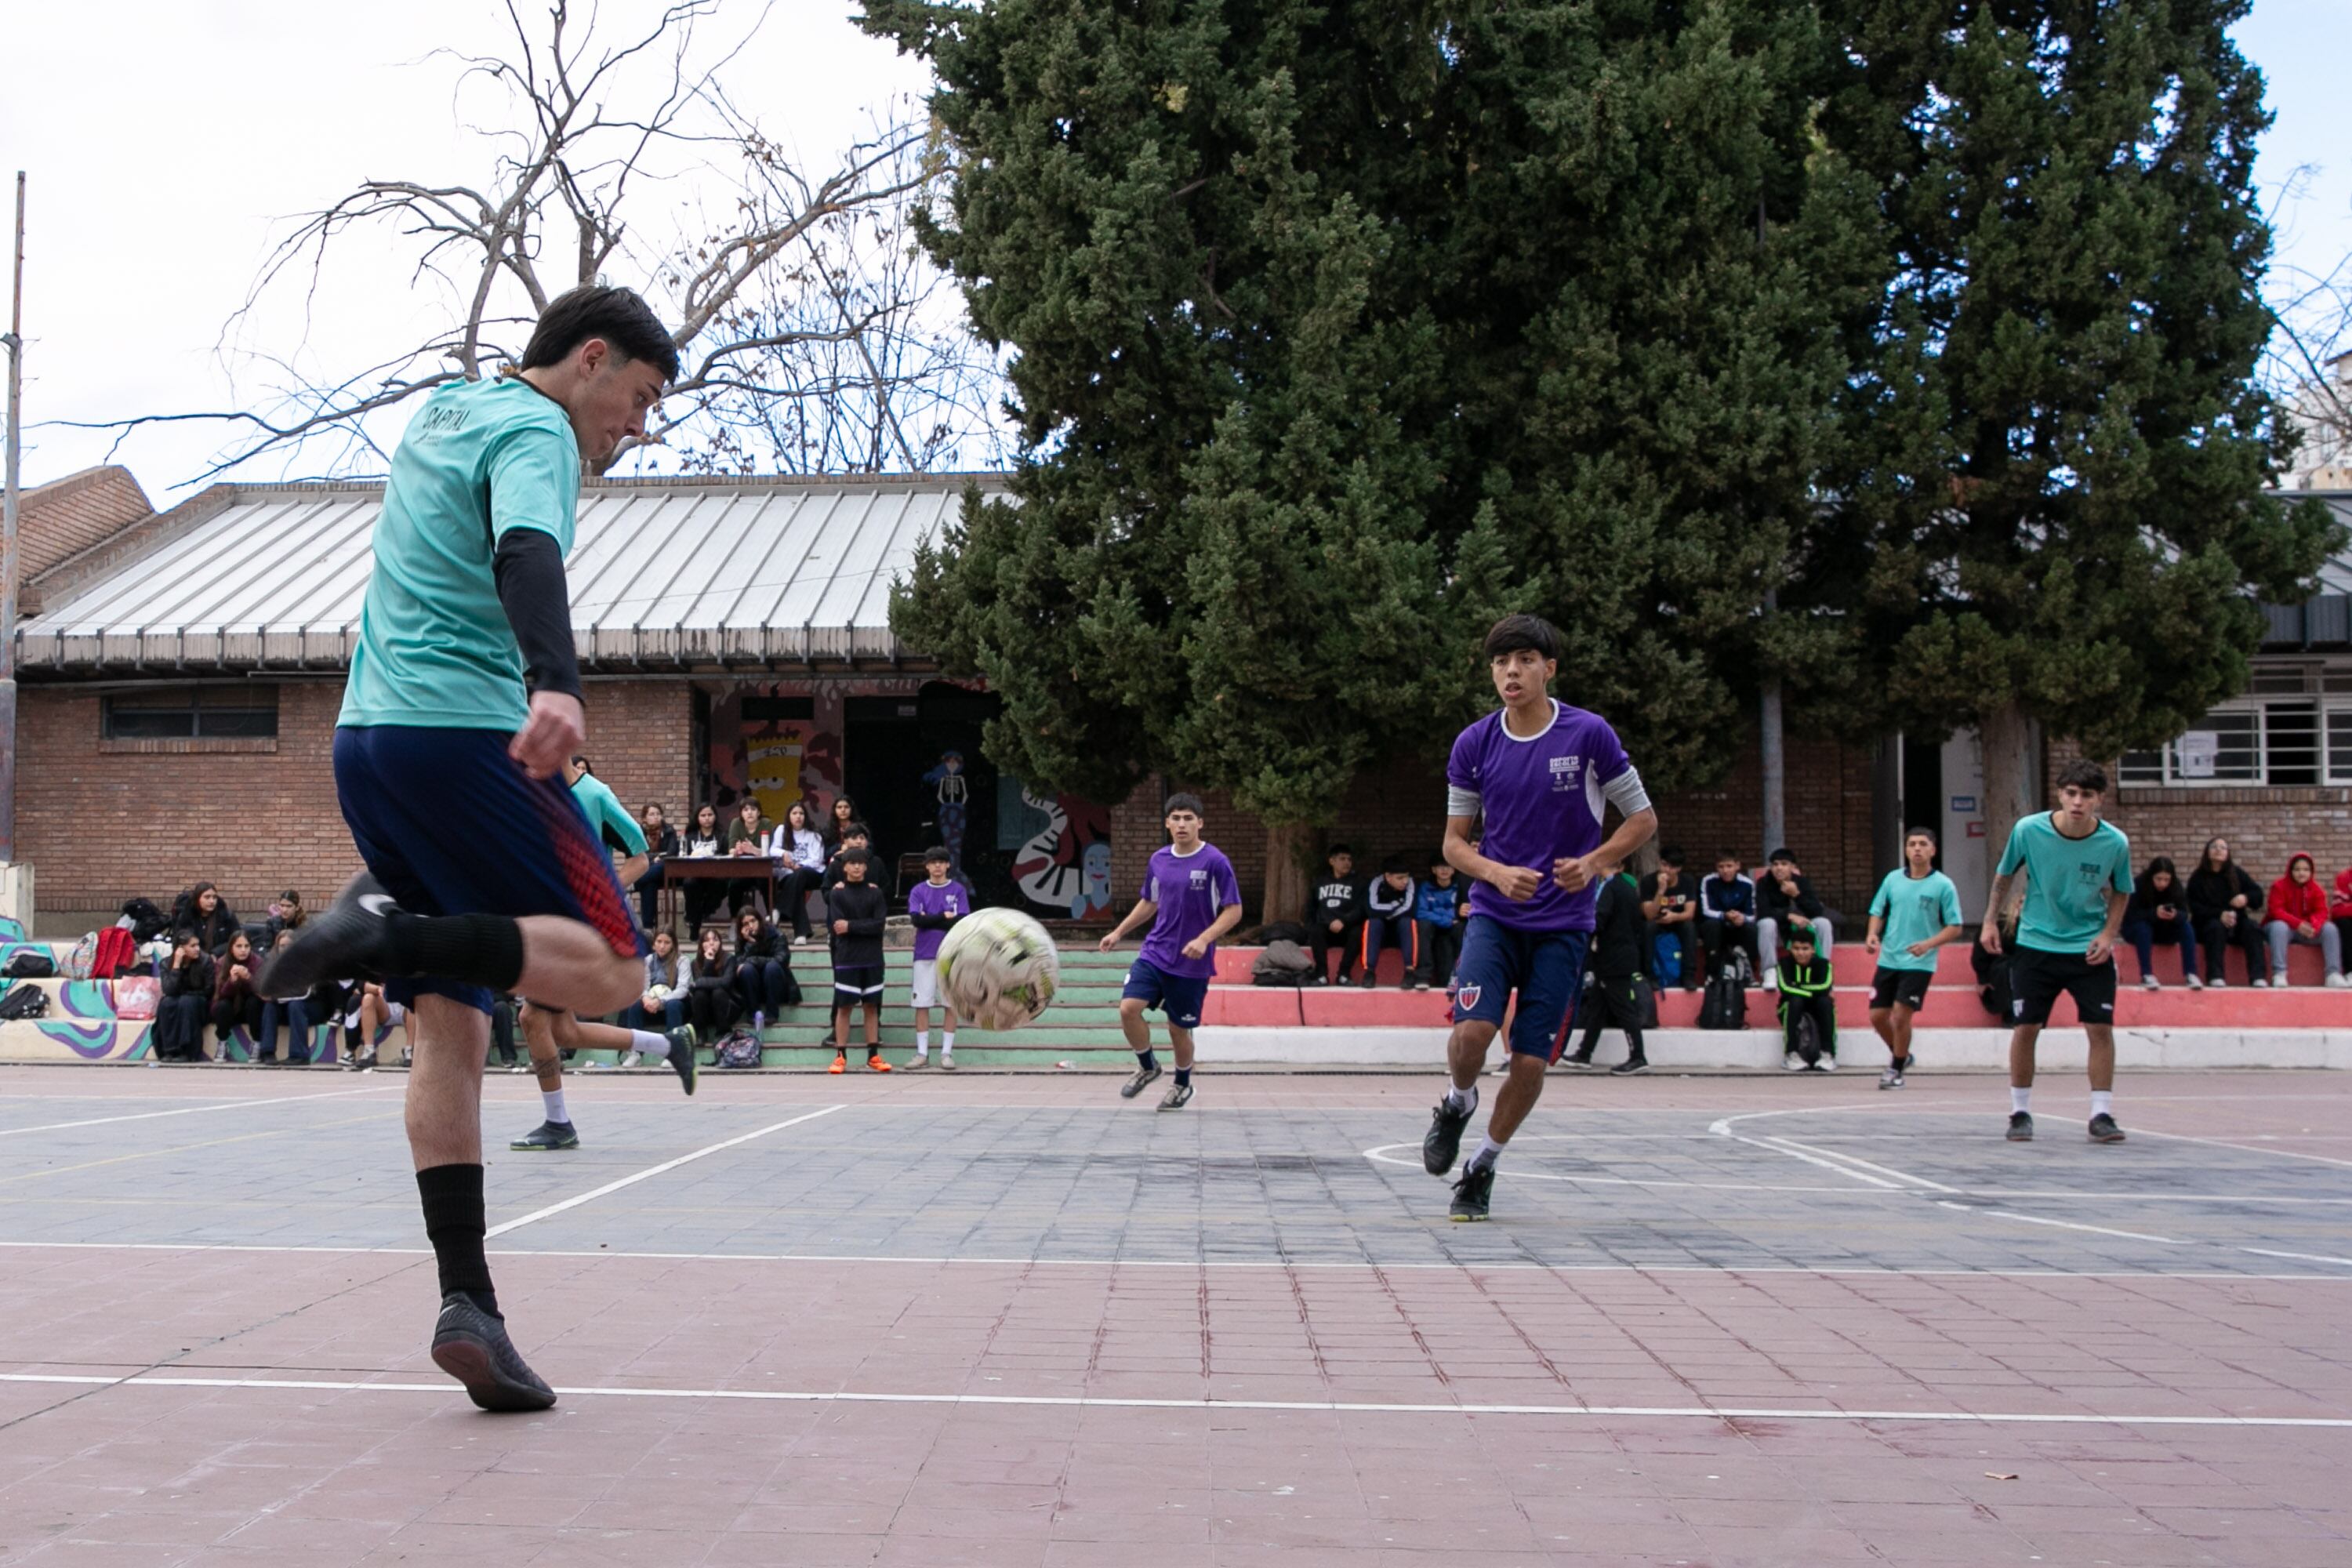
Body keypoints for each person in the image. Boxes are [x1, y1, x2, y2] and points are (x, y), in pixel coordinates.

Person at [256, 283, 679, 1414]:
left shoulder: (446, 409)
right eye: (636, 399)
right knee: (615, 969)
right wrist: (557, 686)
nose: (634, 429)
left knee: (451, 1027)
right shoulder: (538, 429)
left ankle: (468, 1304)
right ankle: (389, 929)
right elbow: (527, 552)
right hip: (463, 736)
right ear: (589, 360)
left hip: (368, 741)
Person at [1421, 615, 1657, 1221]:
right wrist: (1495, 874)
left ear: (1549, 668)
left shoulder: (1589, 735)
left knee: (1528, 1061)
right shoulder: (1475, 743)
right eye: (1501, 663)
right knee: (1471, 1035)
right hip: (1496, 916)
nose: (1511, 672)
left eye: (1525, 660)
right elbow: (1453, 844)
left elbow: (1642, 819)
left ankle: (1482, 1167)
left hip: (1564, 925)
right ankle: (1457, 1101)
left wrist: (1598, 861)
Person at [1981, 760, 2133, 1145]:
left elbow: (2122, 890)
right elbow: (2003, 876)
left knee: (2100, 1028)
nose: (2077, 802)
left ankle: (2101, 1113)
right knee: (2027, 1027)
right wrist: (1988, 922)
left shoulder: (2115, 843)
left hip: (2087, 948)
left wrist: (2108, 934)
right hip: (2036, 945)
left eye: (2086, 795)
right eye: (2070, 793)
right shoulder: (2029, 830)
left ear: (2099, 799)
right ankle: (2019, 1111)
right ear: (2060, 795)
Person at [1097, 793, 1243, 1112]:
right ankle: (1148, 1065)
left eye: (1188, 818)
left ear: (1200, 823)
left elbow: (1234, 911)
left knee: (1179, 1029)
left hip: (1192, 962)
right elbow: (1149, 901)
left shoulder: (1215, 861)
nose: (1181, 824)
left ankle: (1182, 1084)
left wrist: (1204, 939)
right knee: (1128, 1008)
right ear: (1167, 823)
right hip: (1155, 952)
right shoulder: (1159, 860)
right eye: (1176, 818)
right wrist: (1119, 932)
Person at [1863, 827, 1965, 1089]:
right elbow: (1878, 910)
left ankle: (1895, 1070)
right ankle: (1903, 1054)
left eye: (1923, 844)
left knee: (1900, 1015)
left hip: (1919, 962)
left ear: (1933, 849)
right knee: (1877, 1016)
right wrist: (1873, 934)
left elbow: (1955, 926)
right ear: (1906, 849)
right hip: (1889, 958)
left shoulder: (1943, 885)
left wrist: (1928, 944)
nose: (1917, 849)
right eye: (1912, 844)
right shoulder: (1893, 880)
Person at [1561, 864, 1650, 1075]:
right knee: (1597, 1007)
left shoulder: (1610, 888)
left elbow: (1599, 919)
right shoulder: (1628, 887)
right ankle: (1585, 1053)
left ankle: (1638, 1056)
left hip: (1614, 957)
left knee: (1623, 1008)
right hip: (1619, 954)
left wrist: (1579, 930)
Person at [827, 848, 891, 1073]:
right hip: (846, 959)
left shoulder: (875, 893)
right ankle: (840, 1055)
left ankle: (873, 1055)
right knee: (844, 1008)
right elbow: (838, 926)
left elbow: (879, 925)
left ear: (866, 866)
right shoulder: (837, 893)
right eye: (851, 863)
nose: (856, 867)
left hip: (873, 959)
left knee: (871, 1007)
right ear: (844, 867)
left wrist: (852, 926)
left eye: (860, 863)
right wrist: (858, 927)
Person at [904, 846, 969, 1069]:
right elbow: (917, 921)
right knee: (922, 1003)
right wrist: (942, 916)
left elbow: (961, 922)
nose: (938, 866)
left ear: (948, 865)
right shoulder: (918, 891)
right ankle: (922, 1053)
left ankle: (946, 1053)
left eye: (942, 862)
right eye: (933, 862)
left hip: (952, 954)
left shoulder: (958, 890)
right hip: (924, 953)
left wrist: (930, 919)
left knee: (950, 1003)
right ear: (927, 866)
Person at [2187, 836, 2267, 986]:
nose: (2219, 850)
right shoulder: (2198, 877)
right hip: (2208, 927)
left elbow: (2258, 895)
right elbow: (2194, 907)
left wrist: (2246, 898)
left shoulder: (2236, 873)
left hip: (2237, 924)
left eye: (2223, 847)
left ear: (2228, 853)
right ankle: (2215, 976)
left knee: (2253, 928)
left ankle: (2258, 977)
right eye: (2214, 847)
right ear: (2207, 852)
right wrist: (2219, 915)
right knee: (2215, 927)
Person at [2264, 851, 2347, 987]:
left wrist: (2313, 925)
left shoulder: (2316, 889)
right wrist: (2298, 924)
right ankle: (2279, 973)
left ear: (2311, 872)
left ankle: (2333, 974)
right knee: (2279, 926)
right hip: (2285, 930)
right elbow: (2276, 911)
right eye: (2297, 869)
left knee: (2330, 929)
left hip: (2308, 931)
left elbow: (2322, 911)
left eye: (2306, 870)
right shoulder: (2279, 886)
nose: (2301, 873)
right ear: (2290, 871)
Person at [1755, 848, 1833, 990]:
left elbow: (1817, 911)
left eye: (1784, 864)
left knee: (1823, 923)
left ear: (1792, 867)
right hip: (1777, 932)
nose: (1779, 868)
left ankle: (1822, 967)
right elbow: (1763, 912)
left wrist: (1796, 895)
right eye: (1775, 864)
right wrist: (1788, 916)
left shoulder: (1802, 882)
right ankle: (1769, 971)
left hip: (1801, 930)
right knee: (1766, 923)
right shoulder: (1763, 883)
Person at [2120, 856, 2201, 991]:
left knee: (2186, 928)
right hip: (2137, 931)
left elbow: (2184, 914)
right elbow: (2130, 915)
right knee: (2143, 928)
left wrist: (2175, 915)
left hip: (2164, 930)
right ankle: (2146, 975)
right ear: (2152, 876)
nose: (2162, 884)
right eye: (2159, 879)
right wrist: (2153, 914)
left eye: (2166, 880)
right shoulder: (2139, 884)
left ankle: (2191, 973)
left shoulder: (2175, 886)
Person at [1638, 846, 1700, 991]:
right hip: (1656, 922)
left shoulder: (1687, 881)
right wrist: (1661, 890)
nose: (1666, 870)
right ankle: (1650, 975)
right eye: (1664, 865)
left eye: (1671, 867)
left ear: (1679, 869)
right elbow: (1649, 915)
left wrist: (1674, 917)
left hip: (1676, 921)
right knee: (1648, 927)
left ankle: (1688, 976)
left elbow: (1690, 913)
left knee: (1689, 927)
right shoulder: (1648, 881)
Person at [1775, 928, 1837, 1072]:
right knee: (1795, 1001)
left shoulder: (1824, 964)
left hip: (1816, 1006)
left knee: (1826, 1003)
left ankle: (1828, 1054)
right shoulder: (1784, 964)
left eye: (1805, 949)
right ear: (1791, 949)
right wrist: (1809, 991)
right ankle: (1791, 1054)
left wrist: (1799, 986)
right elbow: (1785, 988)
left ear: (1813, 950)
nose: (1801, 953)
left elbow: (1825, 987)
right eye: (1796, 948)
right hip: (1790, 1007)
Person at [1407, 853, 1469, 993]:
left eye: (1448, 866)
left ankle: (1464, 974)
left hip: (1453, 929)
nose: (1444, 870)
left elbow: (1462, 910)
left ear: (1454, 869)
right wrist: (1447, 920)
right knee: (1423, 925)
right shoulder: (1425, 887)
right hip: (1435, 927)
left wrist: (1453, 916)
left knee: (1462, 927)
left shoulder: (1460, 886)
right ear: (1433, 870)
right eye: (1440, 867)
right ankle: (1423, 976)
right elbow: (1421, 912)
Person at [731, 906, 800, 1027]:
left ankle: (772, 1014)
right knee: (747, 969)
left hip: (777, 986)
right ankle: (753, 1013)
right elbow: (738, 965)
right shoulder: (742, 941)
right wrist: (750, 944)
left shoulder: (777, 935)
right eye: (746, 924)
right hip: (753, 988)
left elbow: (782, 961)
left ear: (760, 920)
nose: (751, 926)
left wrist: (753, 960)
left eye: (753, 921)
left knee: (771, 967)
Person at [1306, 844, 1365, 985]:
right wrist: (1328, 922)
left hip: (1347, 928)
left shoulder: (1358, 882)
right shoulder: (1320, 882)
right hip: (1327, 928)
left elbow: (1361, 908)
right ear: (1332, 861)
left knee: (1358, 933)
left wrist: (1344, 921)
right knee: (1316, 931)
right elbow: (1313, 908)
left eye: (1349, 860)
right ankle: (1321, 975)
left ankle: (1344, 975)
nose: (1347, 863)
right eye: (1342, 859)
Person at [1696, 851, 1759, 981]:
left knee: (1752, 929)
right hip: (1717, 923)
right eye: (1721, 867)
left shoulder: (1747, 884)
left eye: (1729, 866)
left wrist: (1742, 918)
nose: (1725, 870)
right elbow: (1705, 910)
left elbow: (1752, 914)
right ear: (1716, 867)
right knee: (1711, 925)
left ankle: (1749, 971)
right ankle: (1712, 973)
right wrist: (1724, 915)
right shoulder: (1708, 881)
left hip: (1738, 925)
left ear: (1737, 866)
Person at [1360, 855, 1419, 988]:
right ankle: (1369, 972)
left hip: (1401, 933)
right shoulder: (1376, 883)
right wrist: (1395, 904)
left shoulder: (1411, 883)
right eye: (1400, 878)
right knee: (1373, 923)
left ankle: (1410, 972)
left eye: (1406, 877)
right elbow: (1371, 909)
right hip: (1382, 932)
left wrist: (1386, 914)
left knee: (1408, 922)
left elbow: (1410, 909)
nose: (1404, 881)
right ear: (1388, 877)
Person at [154, 932, 215, 1062]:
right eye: (192, 946)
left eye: (198, 945)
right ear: (180, 949)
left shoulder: (205, 961)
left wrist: (188, 995)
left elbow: (209, 990)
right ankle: (169, 1050)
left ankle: (187, 1051)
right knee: (166, 1003)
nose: (197, 949)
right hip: (178, 1001)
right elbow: (169, 990)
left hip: (199, 1003)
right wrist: (176, 965)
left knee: (186, 1002)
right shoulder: (166, 963)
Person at [777, 801, 827, 943]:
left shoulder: (814, 835)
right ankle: (801, 934)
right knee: (796, 885)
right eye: (794, 813)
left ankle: (779, 909)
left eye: (801, 813)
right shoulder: (781, 830)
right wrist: (784, 853)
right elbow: (773, 849)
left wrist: (797, 865)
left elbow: (817, 860)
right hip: (790, 875)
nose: (798, 816)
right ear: (788, 816)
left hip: (813, 874)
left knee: (800, 874)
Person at [683, 927, 742, 1044]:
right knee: (699, 994)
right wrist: (709, 962)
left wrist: (698, 983)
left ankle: (723, 1032)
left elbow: (726, 983)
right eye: (707, 940)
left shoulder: (729, 959)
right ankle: (700, 1032)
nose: (711, 943)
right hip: (705, 1010)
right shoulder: (696, 963)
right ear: (701, 945)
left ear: (720, 943)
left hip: (727, 1008)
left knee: (718, 992)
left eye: (715, 940)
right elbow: (701, 989)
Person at [212, 931, 265, 1057]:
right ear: (231, 948)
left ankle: (257, 1043)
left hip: (250, 1009)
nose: (243, 950)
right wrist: (232, 981)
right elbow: (220, 995)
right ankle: (222, 1043)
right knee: (223, 1005)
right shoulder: (222, 962)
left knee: (254, 1002)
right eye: (239, 946)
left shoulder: (257, 962)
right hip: (231, 1007)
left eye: (247, 946)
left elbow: (261, 992)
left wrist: (248, 979)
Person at [677, 804, 728, 930]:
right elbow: (683, 856)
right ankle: (694, 919)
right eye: (703, 815)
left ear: (715, 817)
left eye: (710, 815)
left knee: (722, 883)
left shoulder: (722, 836)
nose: (707, 818)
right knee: (689, 883)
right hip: (695, 874)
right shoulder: (689, 837)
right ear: (698, 818)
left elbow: (728, 856)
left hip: (716, 874)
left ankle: (697, 917)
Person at [632, 803, 679, 935]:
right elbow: (637, 853)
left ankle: (635, 882)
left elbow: (672, 852)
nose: (656, 817)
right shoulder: (639, 832)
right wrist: (654, 858)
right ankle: (648, 928)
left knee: (661, 866)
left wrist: (657, 859)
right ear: (644, 818)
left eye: (658, 814)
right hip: (649, 870)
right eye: (652, 814)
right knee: (649, 884)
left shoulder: (669, 831)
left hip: (666, 871)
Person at [725, 798, 776, 916]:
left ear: (759, 812)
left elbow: (770, 851)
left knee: (766, 882)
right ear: (741, 813)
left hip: (762, 869)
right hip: (743, 869)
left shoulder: (766, 823)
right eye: (746, 810)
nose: (749, 813)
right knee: (734, 884)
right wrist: (738, 850)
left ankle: (771, 917)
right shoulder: (736, 823)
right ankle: (735, 919)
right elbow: (731, 849)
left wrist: (753, 850)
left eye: (753, 809)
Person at [633, 929, 688, 1033]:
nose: (662, 946)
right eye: (659, 941)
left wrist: (660, 1001)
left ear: (673, 944)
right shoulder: (648, 960)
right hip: (652, 1006)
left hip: (674, 1005)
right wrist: (645, 998)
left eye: (667, 942)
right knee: (635, 1005)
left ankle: (673, 1045)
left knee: (673, 1005)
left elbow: (682, 989)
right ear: (654, 944)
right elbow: (644, 986)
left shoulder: (682, 961)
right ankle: (635, 1047)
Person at [171, 882, 241, 954]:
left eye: (214, 897)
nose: (212, 901)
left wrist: (216, 953)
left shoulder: (226, 916)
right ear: (198, 899)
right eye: (207, 897)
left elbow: (237, 940)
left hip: (221, 958)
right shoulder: (186, 917)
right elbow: (178, 941)